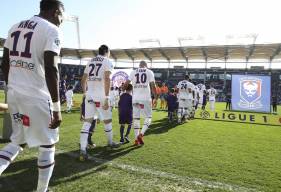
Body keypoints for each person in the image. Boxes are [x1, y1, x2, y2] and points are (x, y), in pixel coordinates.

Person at [0, 0, 64, 191]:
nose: (61, 20)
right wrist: (57, 109)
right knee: (48, 144)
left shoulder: (14, 27)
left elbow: (4, 63)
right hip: (37, 95)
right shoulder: (51, 29)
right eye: (61, 15)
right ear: (55, 12)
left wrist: (12, 88)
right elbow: (52, 68)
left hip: (14, 93)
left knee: (18, 141)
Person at [79, 45, 119, 161]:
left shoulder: (90, 61)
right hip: (101, 96)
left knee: (87, 122)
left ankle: (82, 150)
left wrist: (85, 93)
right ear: (107, 52)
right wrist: (106, 97)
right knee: (107, 120)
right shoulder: (107, 61)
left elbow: (83, 80)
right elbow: (107, 79)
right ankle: (110, 143)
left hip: (90, 95)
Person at [125, 61, 156, 146]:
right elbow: (153, 86)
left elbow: (126, 83)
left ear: (139, 65)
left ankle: (136, 140)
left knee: (136, 119)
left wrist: (123, 89)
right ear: (146, 66)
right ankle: (141, 134)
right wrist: (155, 97)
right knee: (148, 117)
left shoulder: (133, 72)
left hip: (135, 98)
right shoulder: (149, 72)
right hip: (145, 98)